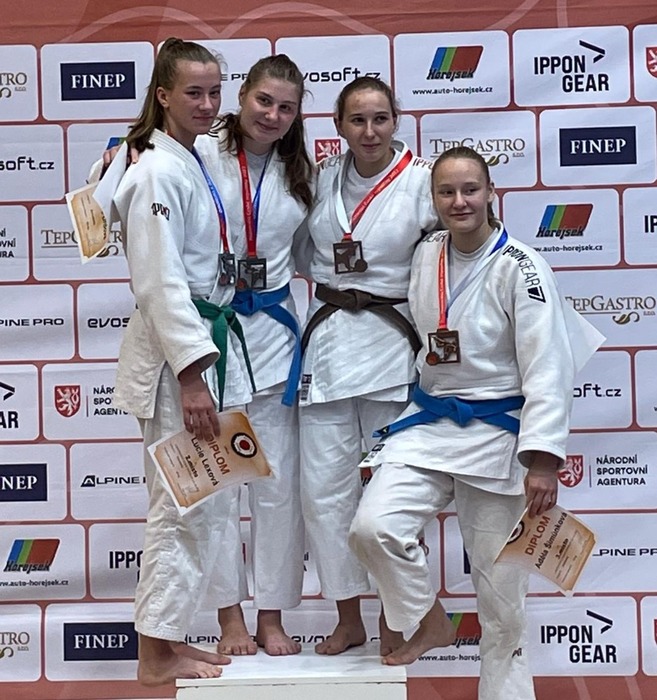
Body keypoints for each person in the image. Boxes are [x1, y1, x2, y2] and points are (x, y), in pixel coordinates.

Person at [348, 146, 601, 698]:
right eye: (447, 192)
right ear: (434, 199)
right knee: (373, 527)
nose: (459, 201)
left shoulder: (523, 268)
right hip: (431, 420)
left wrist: (542, 461)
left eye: (470, 190)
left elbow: (548, 369)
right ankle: (428, 619)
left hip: (499, 432)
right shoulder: (427, 253)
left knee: (501, 604)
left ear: (490, 193)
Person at [94, 38, 254, 686]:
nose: (208, 104)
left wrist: (115, 152)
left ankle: (168, 637)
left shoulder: (188, 156)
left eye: (215, 92)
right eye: (193, 92)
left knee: (201, 499)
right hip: (173, 362)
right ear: (163, 95)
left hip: (201, 344)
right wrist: (192, 378)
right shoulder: (157, 172)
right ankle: (154, 653)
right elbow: (159, 283)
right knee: (179, 502)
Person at [298, 76, 440, 656]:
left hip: (394, 346)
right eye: (357, 120)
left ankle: (397, 617)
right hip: (328, 345)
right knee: (324, 492)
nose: (370, 131)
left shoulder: (424, 181)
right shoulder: (321, 178)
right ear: (338, 125)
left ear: (396, 120)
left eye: (380, 118)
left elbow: (454, 259)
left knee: (391, 494)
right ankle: (347, 616)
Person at [195, 54, 313, 657]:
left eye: (286, 107)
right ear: (242, 96)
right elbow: (110, 183)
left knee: (276, 487)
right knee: (218, 487)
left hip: (272, 338)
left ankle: (271, 614)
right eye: (264, 101)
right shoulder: (195, 150)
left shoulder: (301, 171)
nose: (272, 115)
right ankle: (229, 617)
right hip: (211, 337)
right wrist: (119, 154)